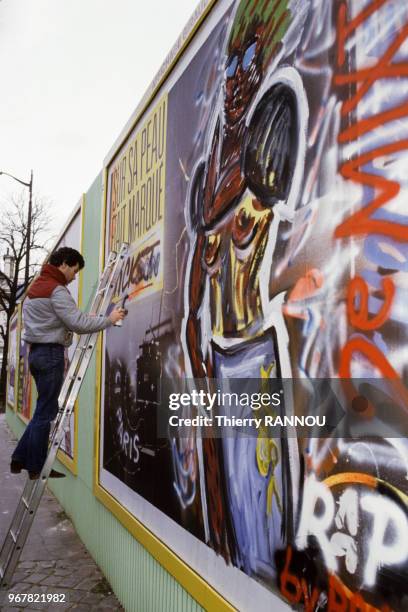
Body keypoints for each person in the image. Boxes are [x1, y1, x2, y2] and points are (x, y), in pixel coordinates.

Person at [10, 247, 126, 480]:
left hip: (37, 354)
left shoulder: (35, 288)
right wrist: (110, 320)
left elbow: (60, 320)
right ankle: (36, 466)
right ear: (64, 264)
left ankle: (19, 458)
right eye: (74, 270)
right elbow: (77, 323)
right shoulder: (57, 290)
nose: (74, 277)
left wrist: (87, 320)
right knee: (46, 412)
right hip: (51, 354)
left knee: (43, 409)